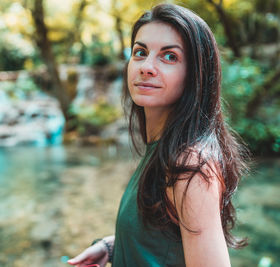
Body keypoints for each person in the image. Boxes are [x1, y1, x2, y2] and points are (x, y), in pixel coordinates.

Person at [67, 3, 249, 267]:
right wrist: (114, 246)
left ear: (195, 75)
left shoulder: (190, 165)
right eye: (140, 52)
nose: (146, 67)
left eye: (169, 57)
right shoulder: (163, 147)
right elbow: (167, 240)